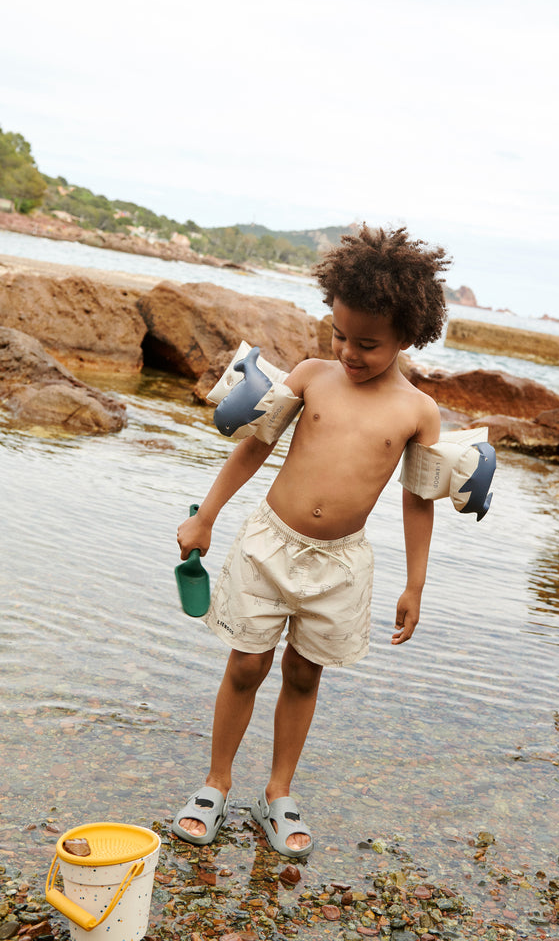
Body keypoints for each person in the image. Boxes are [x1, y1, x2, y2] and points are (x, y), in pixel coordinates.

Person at [173, 224, 451, 856]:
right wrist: (206, 516)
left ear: (408, 337)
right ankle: (216, 784)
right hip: (269, 545)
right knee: (246, 664)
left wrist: (415, 583)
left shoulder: (418, 412)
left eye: (368, 344)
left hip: (340, 566)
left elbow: (418, 502)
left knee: (302, 674)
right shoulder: (311, 376)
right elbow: (253, 446)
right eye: (340, 335)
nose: (349, 352)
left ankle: (278, 793)